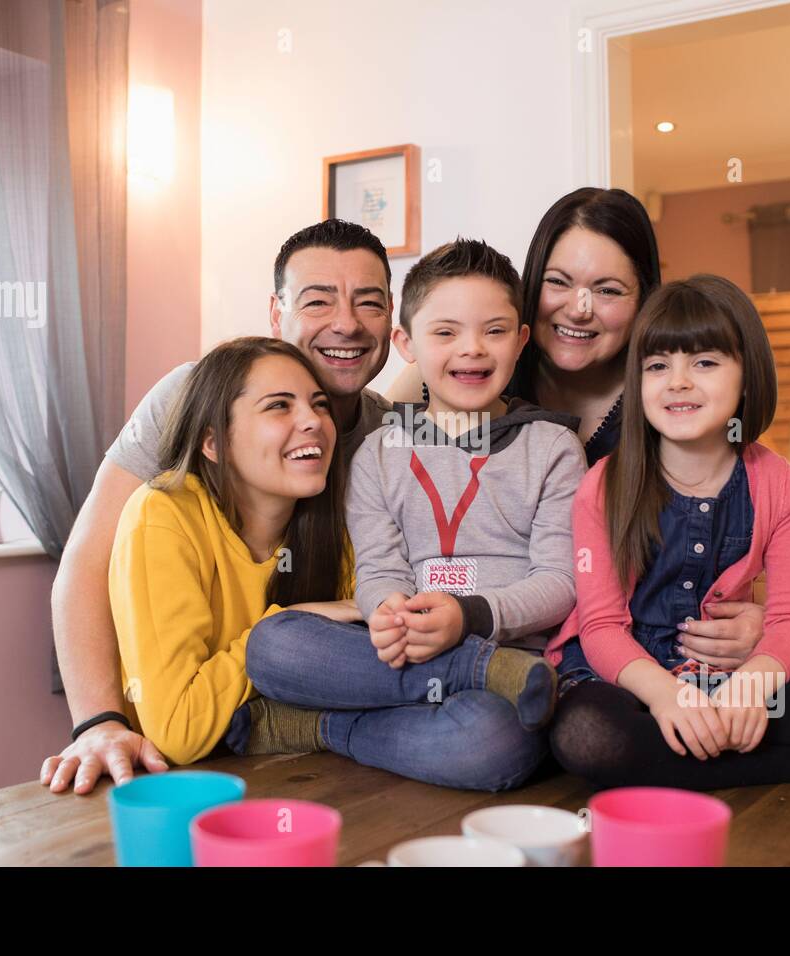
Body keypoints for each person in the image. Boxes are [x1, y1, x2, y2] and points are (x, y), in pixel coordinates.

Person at [41, 220, 394, 793]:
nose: (346, 322)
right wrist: (99, 721)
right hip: (180, 749)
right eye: (318, 300)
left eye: (369, 303)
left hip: (305, 749)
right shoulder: (195, 396)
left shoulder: (388, 432)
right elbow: (87, 562)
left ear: (391, 320)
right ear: (277, 316)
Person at [230, 238, 587, 790]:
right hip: (405, 656)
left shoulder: (553, 448)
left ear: (520, 342)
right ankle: (448, 685)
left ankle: (320, 728)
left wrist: (466, 617)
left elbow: (561, 581)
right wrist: (389, 612)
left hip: (509, 664)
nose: (472, 350)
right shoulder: (377, 450)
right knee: (271, 643)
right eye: (445, 332)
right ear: (406, 343)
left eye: (493, 331)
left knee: (491, 745)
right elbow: (380, 571)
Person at [545, 274, 790, 789]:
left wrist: (751, 686)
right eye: (657, 366)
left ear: (747, 376)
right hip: (630, 682)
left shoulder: (781, 486)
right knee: (586, 735)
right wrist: (666, 696)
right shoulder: (603, 485)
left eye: (704, 362)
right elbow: (601, 629)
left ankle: (681, 758)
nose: (677, 381)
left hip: (730, 678)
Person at [390, 189, 771, 692]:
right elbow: (388, 487)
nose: (579, 309)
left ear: (644, 302)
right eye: (558, 283)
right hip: (472, 643)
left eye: (609, 290)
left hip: (635, 667)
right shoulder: (464, 375)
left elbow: (744, 525)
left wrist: (759, 622)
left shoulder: (670, 400)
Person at [109, 338, 356, 765]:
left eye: (319, 405)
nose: (313, 421)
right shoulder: (163, 515)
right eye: (280, 405)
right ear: (213, 442)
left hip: (302, 766)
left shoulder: (336, 518)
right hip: (185, 791)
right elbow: (179, 731)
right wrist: (293, 625)